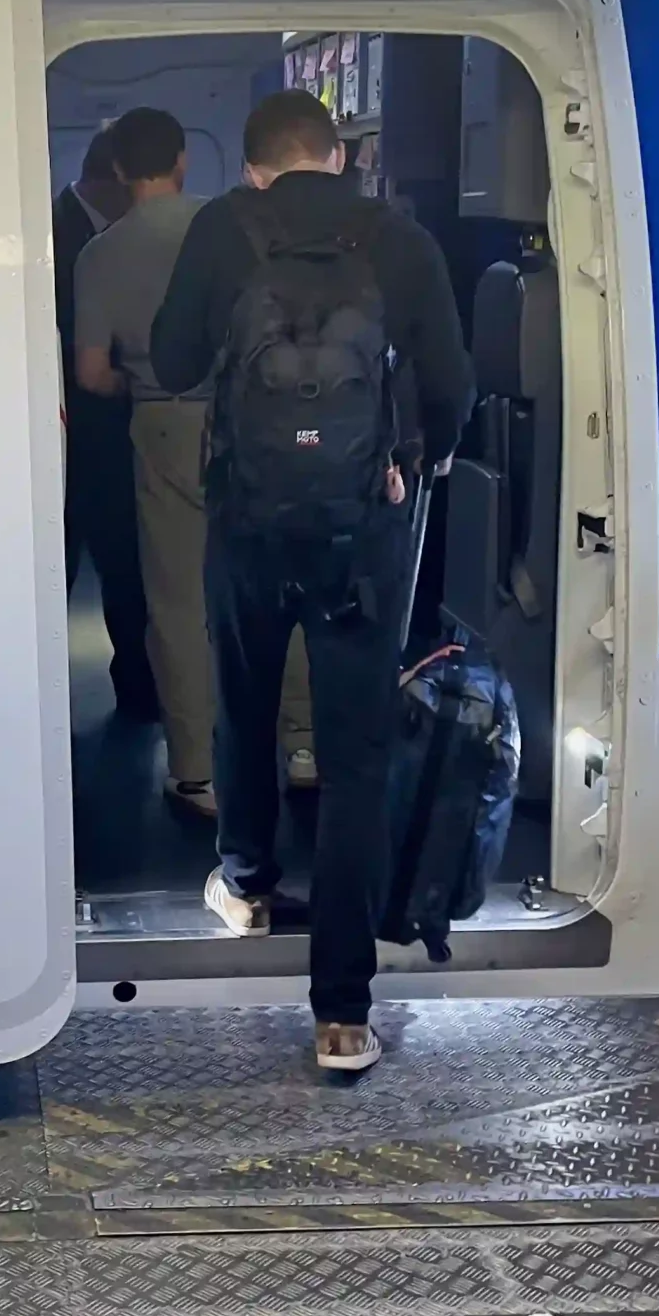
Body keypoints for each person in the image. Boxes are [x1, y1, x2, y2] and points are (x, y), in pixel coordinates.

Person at [150, 88, 474, 1076]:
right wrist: (420, 464)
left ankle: (245, 883)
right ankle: (342, 1014)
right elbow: (451, 382)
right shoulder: (397, 237)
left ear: (254, 167)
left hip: (247, 521)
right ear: (337, 155)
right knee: (355, 756)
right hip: (362, 533)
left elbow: (171, 359)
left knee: (243, 709)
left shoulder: (222, 227)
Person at [72, 107, 215, 814]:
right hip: (260, 422)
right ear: (184, 158)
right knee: (279, 582)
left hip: (164, 425)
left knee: (178, 599)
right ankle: (301, 745)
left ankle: (197, 771)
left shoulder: (100, 254)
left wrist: (144, 384)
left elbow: (92, 373)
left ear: (120, 171)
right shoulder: (232, 231)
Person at [53, 128, 157, 720]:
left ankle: (138, 692)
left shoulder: (108, 236)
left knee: (125, 569)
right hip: (72, 427)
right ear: (119, 177)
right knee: (60, 567)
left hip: (112, 433)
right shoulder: (57, 231)